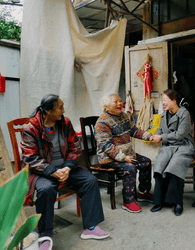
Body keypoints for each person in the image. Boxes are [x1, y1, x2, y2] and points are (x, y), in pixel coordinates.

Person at [21, 94, 109, 250]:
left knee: (90, 180)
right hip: (43, 171)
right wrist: (51, 171)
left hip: (65, 167)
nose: (64, 110)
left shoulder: (65, 122)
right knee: (46, 189)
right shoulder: (31, 129)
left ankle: (90, 227)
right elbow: (30, 158)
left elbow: (75, 147)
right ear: (48, 111)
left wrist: (68, 167)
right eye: (60, 107)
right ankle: (45, 235)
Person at [95, 93, 153, 213]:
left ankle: (143, 192)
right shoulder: (102, 123)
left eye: (120, 101)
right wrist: (123, 157)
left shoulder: (123, 115)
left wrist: (148, 136)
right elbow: (106, 145)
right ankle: (128, 201)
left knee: (146, 162)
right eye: (115, 102)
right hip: (109, 158)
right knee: (130, 167)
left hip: (127, 153)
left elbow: (133, 130)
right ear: (106, 107)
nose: (120, 104)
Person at [149, 89, 195, 216]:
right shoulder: (164, 114)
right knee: (159, 166)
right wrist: (155, 136)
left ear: (174, 101)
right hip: (169, 146)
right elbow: (160, 129)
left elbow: (181, 134)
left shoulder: (184, 113)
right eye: (162, 100)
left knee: (175, 167)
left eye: (165, 100)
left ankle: (177, 202)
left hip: (183, 146)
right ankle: (159, 201)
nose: (163, 103)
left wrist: (162, 138)